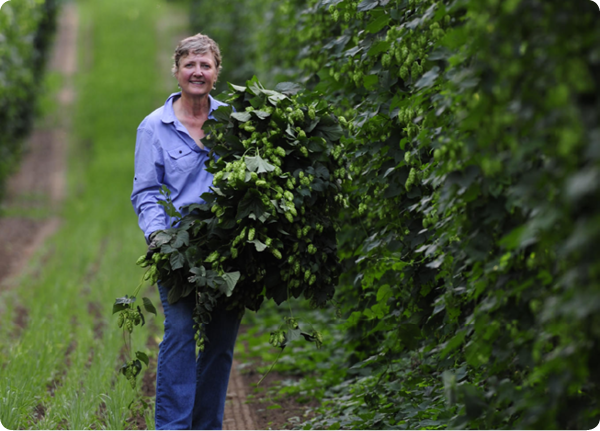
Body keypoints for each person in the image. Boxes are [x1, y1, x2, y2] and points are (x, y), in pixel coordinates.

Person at [130, 33, 241, 431]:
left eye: (205, 66)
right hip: (177, 251)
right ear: (176, 71)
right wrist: (160, 238)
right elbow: (145, 193)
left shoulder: (236, 121)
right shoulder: (153, 127)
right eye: (190, 65)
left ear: (216, 73)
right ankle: (173, 428)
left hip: (229, 252)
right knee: (179, 336)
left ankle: (207, 426)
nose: (197, 72)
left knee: (220, 344)